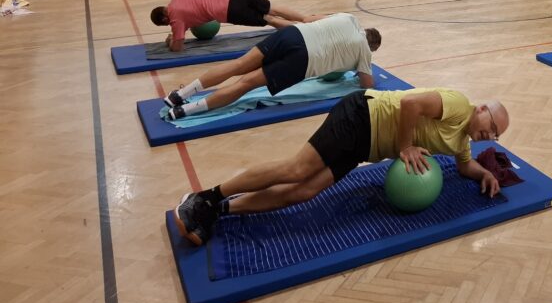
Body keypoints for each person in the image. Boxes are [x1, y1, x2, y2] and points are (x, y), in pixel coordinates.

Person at [173, 87, 510, 246]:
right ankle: (204, 197)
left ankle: (220, 210)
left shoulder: (462, 142)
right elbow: (410, 103)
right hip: (362, 115)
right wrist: (406, 146)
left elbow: (464, 167)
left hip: (365, 146)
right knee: (297, 170)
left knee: (304, 191)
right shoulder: (457, 104)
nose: (489, 135)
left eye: (495, 135)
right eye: (491, 126)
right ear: (481, 109)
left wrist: (485, 173)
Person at [163, 12, 381, 119]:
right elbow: (367, 84)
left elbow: (311, 18)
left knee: (238, 65)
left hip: (294, 34)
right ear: (371, 46)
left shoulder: (349, 17)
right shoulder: (364, 50)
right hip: (304, 58)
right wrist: (357, 66)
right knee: (246, 83)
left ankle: (179, 95)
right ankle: (184, 111)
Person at [151, 0, 314, 52]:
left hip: (230, 10)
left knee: (269, 19)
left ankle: (306, 30)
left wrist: (170, 41)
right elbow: (193, 7)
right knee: (272, 8)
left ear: (164, 20)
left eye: (167, 24)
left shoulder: (175, 18)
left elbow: (178, 47)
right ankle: (307, 19)